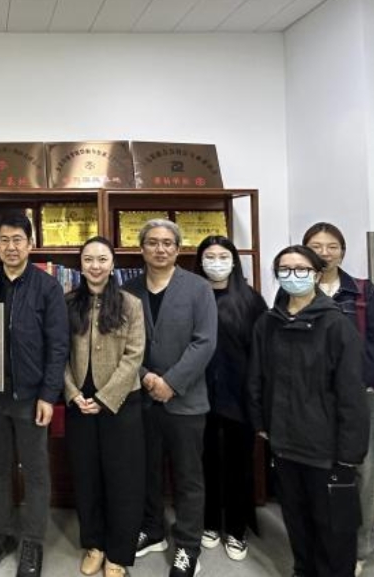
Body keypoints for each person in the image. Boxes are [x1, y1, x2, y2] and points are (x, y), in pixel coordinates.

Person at [248, 245, 368, 577]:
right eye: (284, 269)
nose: (293, 276)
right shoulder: (267, 323)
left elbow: (351, 395)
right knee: (297, 522)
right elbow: (256, 377)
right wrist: (260, 423)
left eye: (301, 269)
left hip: (325, 448)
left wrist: (349, 454)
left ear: (316, 275)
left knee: (333, 530)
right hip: (284, 443)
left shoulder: (336, 325)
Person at [0, 213, 69, 577]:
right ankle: (3, 534)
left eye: (18, 240)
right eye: (4, 240)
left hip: (31, 397)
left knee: (35, 470)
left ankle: (32, 541)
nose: (11, 247)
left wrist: (48, 395)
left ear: (30, 244)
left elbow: (58, 346)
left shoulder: (48, 287)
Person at [123, 219, 217, 577]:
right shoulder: (128, 289)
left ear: (178, 249)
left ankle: (188, 546)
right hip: (141, 397)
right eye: (152, 242)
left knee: (188, 477)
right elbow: (122, 343)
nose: (160, 249)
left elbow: (205, 342)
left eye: (167, 243)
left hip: (186, 401)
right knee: (146, 471)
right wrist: (146, 376)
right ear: (142, 248)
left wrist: (172, 383)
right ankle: (153, 529)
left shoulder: (198, 288)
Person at [64, 236, 146, 577]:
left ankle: (118, 552)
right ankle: (94, 544)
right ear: (80, 265)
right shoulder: (68, 302)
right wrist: (72, 393)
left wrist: (105, 398)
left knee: (123, 479)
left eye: (102, 259)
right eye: (88, 260)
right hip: (79, 402)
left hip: (120, 401)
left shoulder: (131, 304)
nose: (95, 266)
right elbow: (58, 353)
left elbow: (134, 356)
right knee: (86, 477)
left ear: (112, 265)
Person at [302, 222, 374, 576]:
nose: (324, 252)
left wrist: (364, 382)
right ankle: (325, 543)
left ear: (343, 252)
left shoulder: (363, 292)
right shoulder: (295, 288)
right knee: (318, 471)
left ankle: (361, 548)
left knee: (364, 473)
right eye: (316, 246)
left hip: (360, 396)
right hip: (312, 398)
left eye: (332, 246)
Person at [192, 236, 267, 562]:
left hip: (239, 397)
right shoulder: (192, 296)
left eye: (223, 256)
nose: (217, 262)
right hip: (197, 395)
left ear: (234, 261)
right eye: (210, 256)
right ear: (200, 261)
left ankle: (236, 529)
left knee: (239, 465)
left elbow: (262, 353)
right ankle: (209, 523)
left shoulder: (251, 300)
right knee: (204, 463)